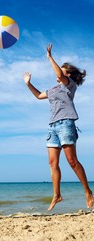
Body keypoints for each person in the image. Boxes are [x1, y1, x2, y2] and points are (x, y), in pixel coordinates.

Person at [23, 43, 94, 211]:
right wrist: (28, 84)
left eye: (62, 70)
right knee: (52, 163)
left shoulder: (70, 85)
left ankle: (88, 191)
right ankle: (57, 195)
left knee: (72, 161)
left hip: (66, 123)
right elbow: (39, 95)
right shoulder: (54, 88)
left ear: (67, 74)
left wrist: (49, 57)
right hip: (52, 127)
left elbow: (59, 75)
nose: (58, 73)